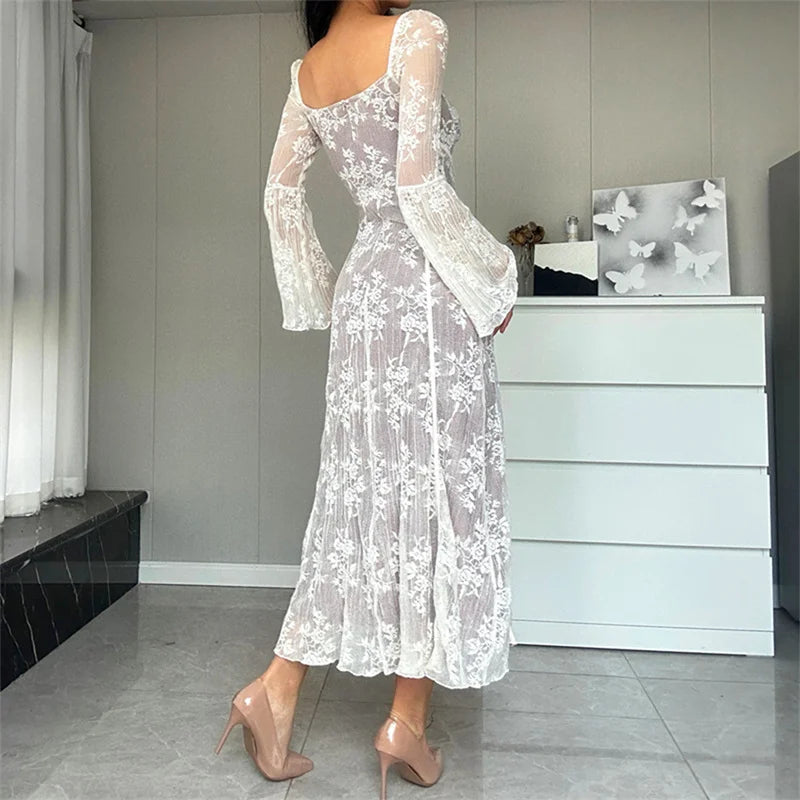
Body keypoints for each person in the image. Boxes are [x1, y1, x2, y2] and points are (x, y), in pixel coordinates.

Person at [215, 2, 517, 797]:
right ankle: (404, 722)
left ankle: (277, 690)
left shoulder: (309, 70)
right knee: (441, 491)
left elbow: (279, 195)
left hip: (366, 290)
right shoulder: (416, 30)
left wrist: (322, 293)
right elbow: (417, 182)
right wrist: (492, 274)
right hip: (428, 288)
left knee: (364, 493)